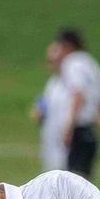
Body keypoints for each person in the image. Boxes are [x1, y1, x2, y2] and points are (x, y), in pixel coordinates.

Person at [51, 29, 100, 181]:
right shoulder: (92, 64)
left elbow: (78, 96)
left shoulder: (73, 63)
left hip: (78, 129)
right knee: (85, 181)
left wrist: (68, 128)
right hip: (90, 130)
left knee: (72, 182)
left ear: (68, 46)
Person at [32, 42, 73, 172]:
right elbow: (42, 108)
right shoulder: (52, 84)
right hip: (51, 141)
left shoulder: (73, 82)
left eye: (54, 60)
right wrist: (38, 113)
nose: (51, 64)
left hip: (68, 142)